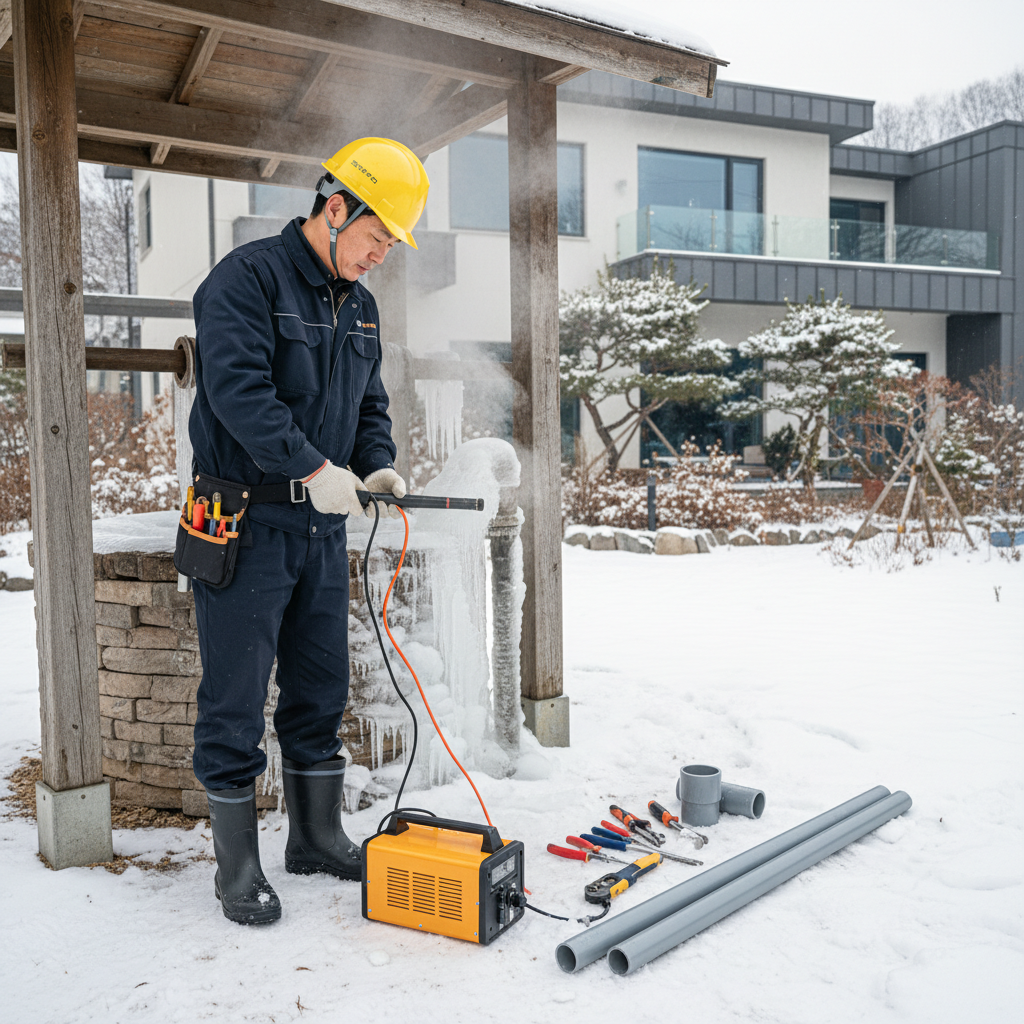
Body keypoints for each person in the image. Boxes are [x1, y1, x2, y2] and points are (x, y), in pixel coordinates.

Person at [186, 137, 429, 924]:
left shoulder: (359, 306)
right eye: (375, 238)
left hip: (321, 529)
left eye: (390, 245)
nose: (380, 256)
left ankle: (315, 839)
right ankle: (235, 871)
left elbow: (370, 408)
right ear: (335, 209)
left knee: (320, 690)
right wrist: (312, 470)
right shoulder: (246, 280)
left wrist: (377, 466)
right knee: (234, 699)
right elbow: (238, 394)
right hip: (243, 518)